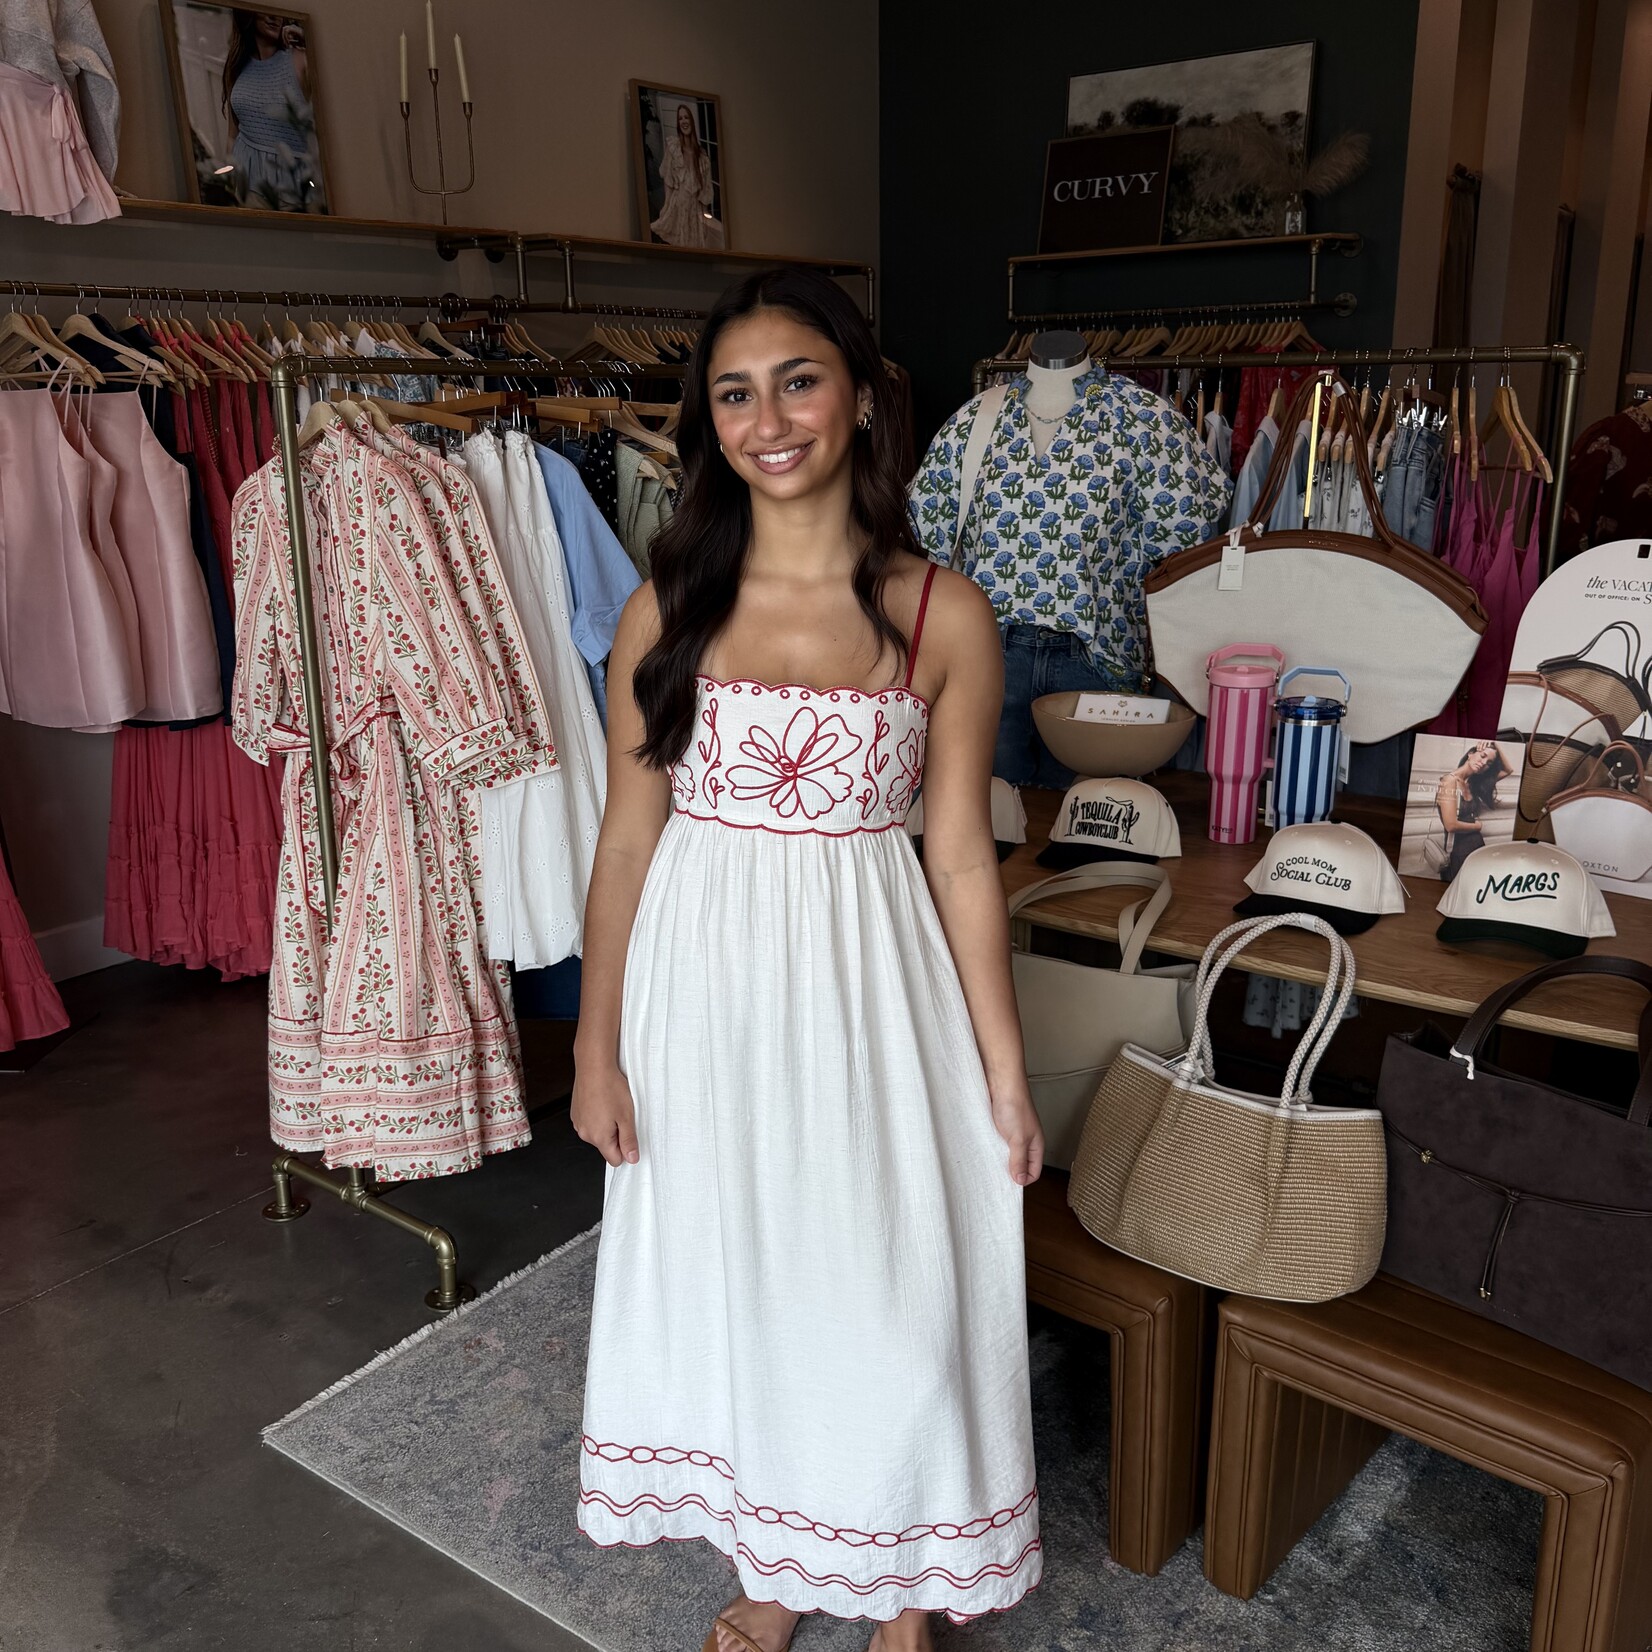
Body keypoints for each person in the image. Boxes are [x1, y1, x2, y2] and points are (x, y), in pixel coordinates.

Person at [572, 267, 1044, 1650]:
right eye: (734, 391)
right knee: (747, 1288)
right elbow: (622, 847)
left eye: (797, 380)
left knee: (887, 1291)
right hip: (701, 1000)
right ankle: (775, 1576)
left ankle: (899, 1583)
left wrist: (1003, 1076)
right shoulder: (667, 608)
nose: (768, 417)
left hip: (869, 998)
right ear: (704, 421)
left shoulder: (942, 613)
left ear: (856, 395)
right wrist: (598, 1045)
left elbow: (960, 854)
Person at [221, 10, 325, 213]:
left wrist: (308, 41)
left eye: (278, 12)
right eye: (264, 12)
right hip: (246, 186)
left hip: (292, 191)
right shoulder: (236, 66)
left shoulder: (299, 60)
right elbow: (232, 135)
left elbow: (336, 87)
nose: (273, 17)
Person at [650, 100, 725, 248]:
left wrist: (704, 218)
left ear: (692, 121)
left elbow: (705, 191)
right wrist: (666, 205)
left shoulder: (703, 158)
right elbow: (669, 179)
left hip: (694, 211)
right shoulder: (674, 148)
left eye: (686, 117)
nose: (684, 121)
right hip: (678, 206)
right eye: (680, 118)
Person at [1437, 740, 1513, 880]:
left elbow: (1508, 770)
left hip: (1477, 847)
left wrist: (1495, 744)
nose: (1484, 763)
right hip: (1458, 851)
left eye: (1489, 763)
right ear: (1470, 755)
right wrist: (1478, 826)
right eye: (1482, 756)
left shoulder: (1473, 783)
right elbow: (1450, 825)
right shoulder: (1449, 781)